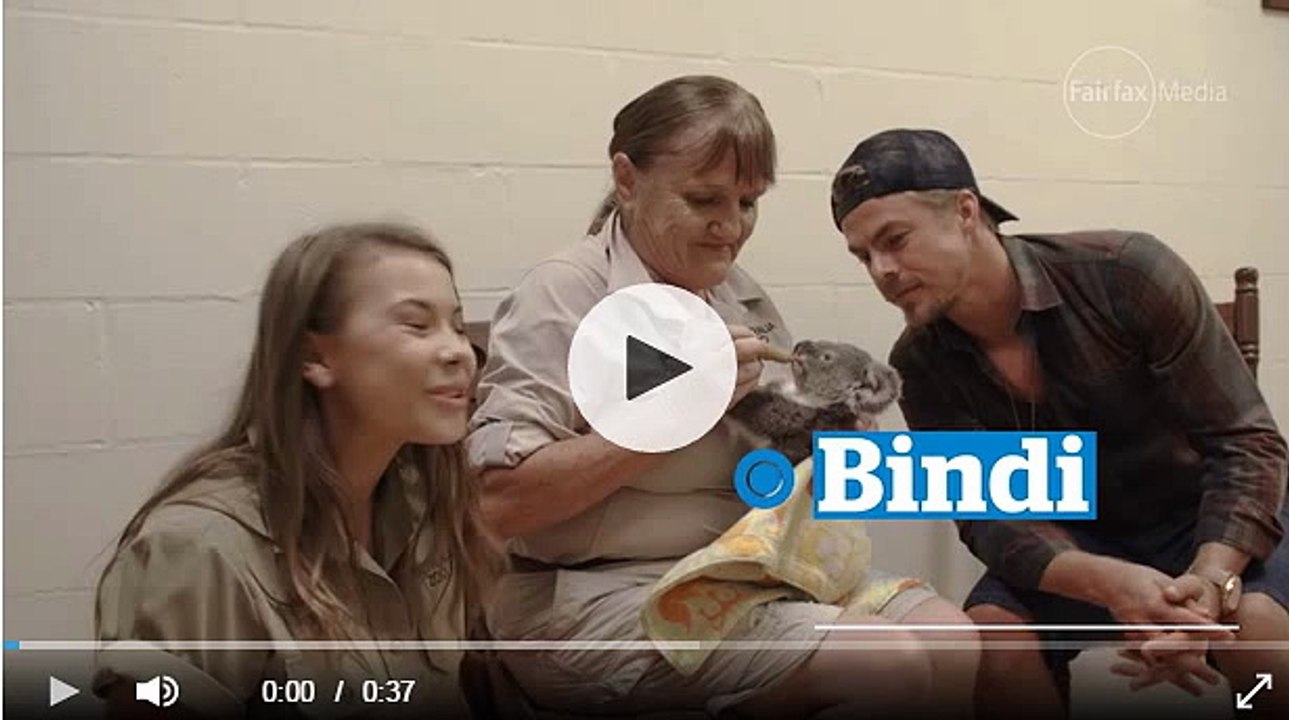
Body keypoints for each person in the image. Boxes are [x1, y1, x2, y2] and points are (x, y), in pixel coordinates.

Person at [466, 76, 980, 719]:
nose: (730, 227)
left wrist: (836, 438)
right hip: (591, 598)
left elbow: (783, 468)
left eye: (748, 202)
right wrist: (674, 409)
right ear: (626, 180)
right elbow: (497, 504)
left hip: (739, 576)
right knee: (886, 665)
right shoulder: (567, 293)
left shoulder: (739, 294)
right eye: (704, 199)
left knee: (954, 643)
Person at [829, 128, 1289, 718]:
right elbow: (989, 516)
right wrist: (1107, 581)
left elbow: (1247, 444)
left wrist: (1209, 581)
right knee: (991, 641)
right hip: (1080, 545)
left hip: (1200, 519)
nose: (882, 270)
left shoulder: (1126, 274)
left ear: (965, 211)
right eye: (864, 255)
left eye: (895, 239)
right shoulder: (917, 364)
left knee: (1256, 628)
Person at [93, 222, 503, 719]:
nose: (458, 351)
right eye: (417, 325)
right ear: (315, 356)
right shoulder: (200, 549)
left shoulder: (426, 504)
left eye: (458, 326)